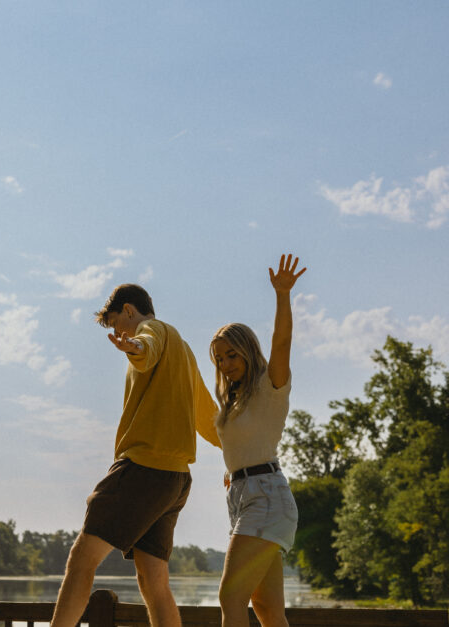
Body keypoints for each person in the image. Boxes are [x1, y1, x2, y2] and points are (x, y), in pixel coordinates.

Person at [48, 284, 222, 627]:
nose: (118, 334)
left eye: (116, 324)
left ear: (130, 310)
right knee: (153, 581)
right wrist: (239, 450)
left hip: (144, 468)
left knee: (81, 561)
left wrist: (135, 346)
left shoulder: (153, 331)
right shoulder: (184, 351)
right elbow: (207, 416)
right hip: (175, 480)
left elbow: (148, 344)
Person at [211, 254, 306, 627]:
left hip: (266, 498)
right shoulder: (233, 402)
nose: (226, 363)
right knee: (267, 610)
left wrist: (282, 295)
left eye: (232, 354)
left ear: (248, 351)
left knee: (230, 596)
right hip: (244, 497)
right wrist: (234, 471)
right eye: (219, 359)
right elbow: (240, 446)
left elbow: (282, 342)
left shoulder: (270, 387)